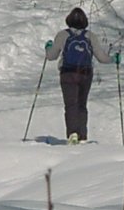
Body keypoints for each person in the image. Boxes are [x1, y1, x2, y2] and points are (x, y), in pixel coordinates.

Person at [45, 7, 114, 143]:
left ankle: (73, 134)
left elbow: (51, 56)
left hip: (68, 74)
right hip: (85, 74)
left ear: (69, 20)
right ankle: (82, 135)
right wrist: (114, 59)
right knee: (82, 104)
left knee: (71, 105)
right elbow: (101, 57)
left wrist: (48, 47)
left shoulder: (62, 35)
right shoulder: (90, 36)